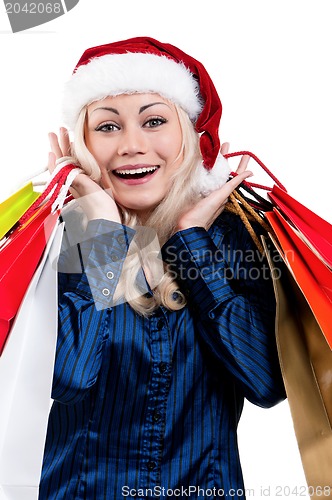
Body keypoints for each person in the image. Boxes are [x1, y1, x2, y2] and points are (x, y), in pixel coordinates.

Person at [39, 36, 285, 500]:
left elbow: (267, 384)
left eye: (154, 121)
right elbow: (68, 379)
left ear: (192, 136)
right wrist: (104, 233)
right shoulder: (58, 241)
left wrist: (191, 242)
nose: (132, 145)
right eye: (108, 127)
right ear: (83, 142)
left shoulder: (235, 239)